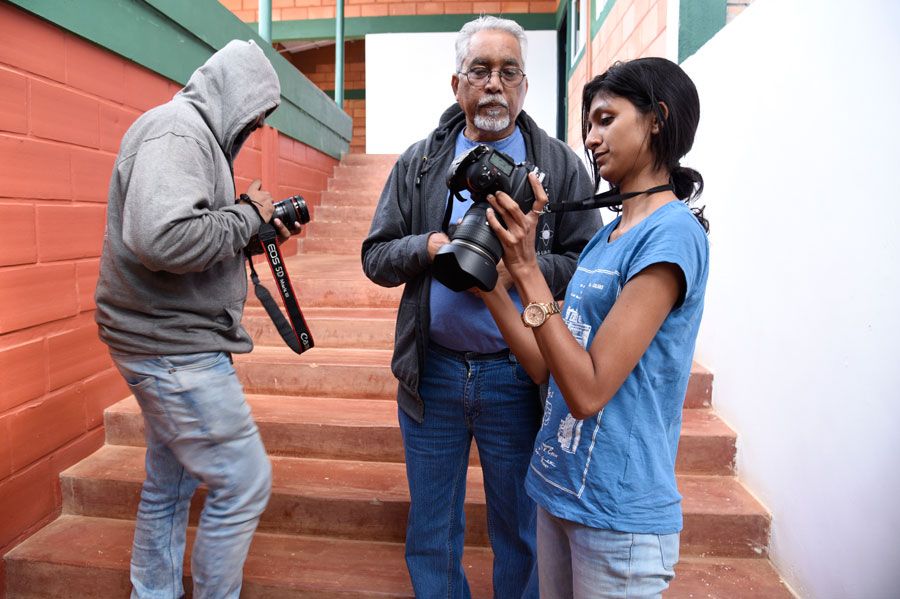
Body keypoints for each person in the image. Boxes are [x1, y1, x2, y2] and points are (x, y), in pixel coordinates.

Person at [361, 15, 601, 598]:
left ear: (524, 86)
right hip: (433, 372)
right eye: (481, 70)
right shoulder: (420, 164)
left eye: (509, 71)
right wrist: (429, 247)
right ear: (457, 85)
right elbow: (375, 256)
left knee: (520, 529)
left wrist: (514, 267)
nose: (495, 83)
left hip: (519, 376)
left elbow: (585, 264)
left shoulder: (560, 166)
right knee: (432, 529)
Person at [480, 57, 709, 598]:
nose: (591, 137)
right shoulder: (605, 239)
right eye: (588, 124)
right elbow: (546, 368)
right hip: (559, 490)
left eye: (606, 119)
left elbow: (587, 391)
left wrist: (529, 271)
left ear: (657, 119)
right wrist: (491, 287)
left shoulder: (671, 235)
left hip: (619, 513)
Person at [94, 40, 302, 599]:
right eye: (258, 113)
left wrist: (246, 231)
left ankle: (152, 591)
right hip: (172, 349)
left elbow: (184, 232)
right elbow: (161, 238)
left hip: (165, 339)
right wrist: (244, 215)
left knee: (170, 484)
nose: (257, 126)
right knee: (244, 483)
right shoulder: (178, 133)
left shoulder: (189, 135)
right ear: (236, 95)